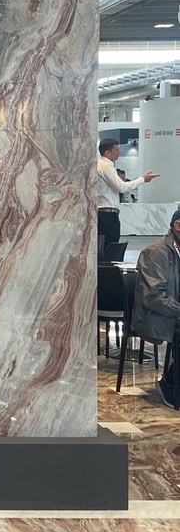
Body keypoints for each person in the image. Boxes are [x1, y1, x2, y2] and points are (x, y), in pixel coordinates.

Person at [131, 209, 180, 408]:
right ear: (177, 225)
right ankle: (169, 383)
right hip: (157, 316)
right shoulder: (156, 253)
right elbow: (152, 297)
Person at [97, 139, 158, 245]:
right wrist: (142, 179)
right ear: (107, 152)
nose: (119, 152)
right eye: (116, 150)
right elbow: (121, 187)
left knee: (102, 246)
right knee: (110, 247)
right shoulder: (106, 166)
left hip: (101, 213)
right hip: (108, 214)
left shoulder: (99, 165)